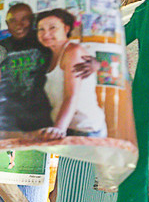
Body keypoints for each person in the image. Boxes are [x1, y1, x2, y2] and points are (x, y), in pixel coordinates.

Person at [34, 8, 104, 139]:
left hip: (85, 129)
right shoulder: (48, 55)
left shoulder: (73, 52)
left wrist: (58, 129)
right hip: (65, 127)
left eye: (52, 27)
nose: (46, 33)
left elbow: (71, 96)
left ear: (66, 29)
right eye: (41, 29)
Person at [0, 2, 53, 134]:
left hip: (41, 113)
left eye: (24, 19)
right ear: (7, 24)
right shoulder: (1, 47)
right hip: (9, 117)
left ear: (32, 20)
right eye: (13, 21)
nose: (19, 25)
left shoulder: (44, 41)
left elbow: (67, 54)